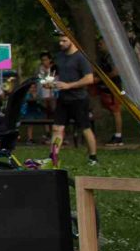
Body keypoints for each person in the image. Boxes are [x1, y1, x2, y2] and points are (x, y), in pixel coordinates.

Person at [43, 33, 101, 167]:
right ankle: (53, 157)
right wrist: (49, 83)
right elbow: (54, 74)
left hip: (79, 99)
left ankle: (93, 158)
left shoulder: (81, 57)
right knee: (57, 128)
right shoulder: (59, 57)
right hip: (63, 98)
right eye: (60, 41)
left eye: (64, 41)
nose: (61, 43)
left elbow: (89, 79)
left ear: (72, 40)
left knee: (85, 128)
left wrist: (69, 85)